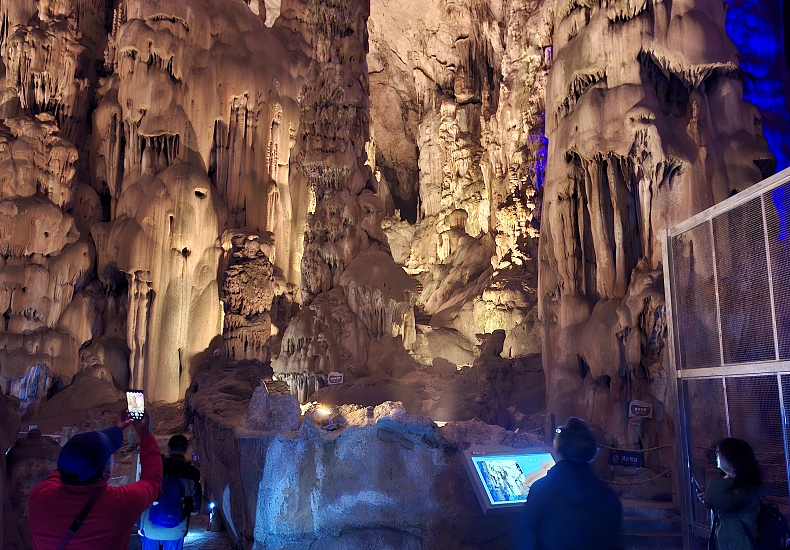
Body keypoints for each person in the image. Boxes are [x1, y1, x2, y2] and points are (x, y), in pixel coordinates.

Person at [28, 411, 162, 550]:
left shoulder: (39, 496)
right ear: (105, 471)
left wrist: (116, 429)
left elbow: (70, 466)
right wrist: (146, 436)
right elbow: (153, 481)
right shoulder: (120, 504)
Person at [511, 417, 622, 550]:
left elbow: (524, 537)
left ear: (557, 447)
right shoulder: (609, 496)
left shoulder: (541, 491)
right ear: (593, 452)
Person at [696, 438, 763, 550]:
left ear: (732, 458)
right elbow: (722, 505)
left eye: (719, 452)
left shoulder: (744, 489)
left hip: (740, 544)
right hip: (727, 543)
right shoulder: (730, 484)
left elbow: (725, 501)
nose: (716, 455)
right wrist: (708, 501)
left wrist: (712, 493)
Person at [138, 434, 202, 550]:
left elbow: (142, 496)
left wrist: (139, 524)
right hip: (176, 529)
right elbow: (195, 507)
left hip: (150, 527)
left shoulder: (155, 468)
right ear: (186, 449)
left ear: (168, 448)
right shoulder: (192, 473)